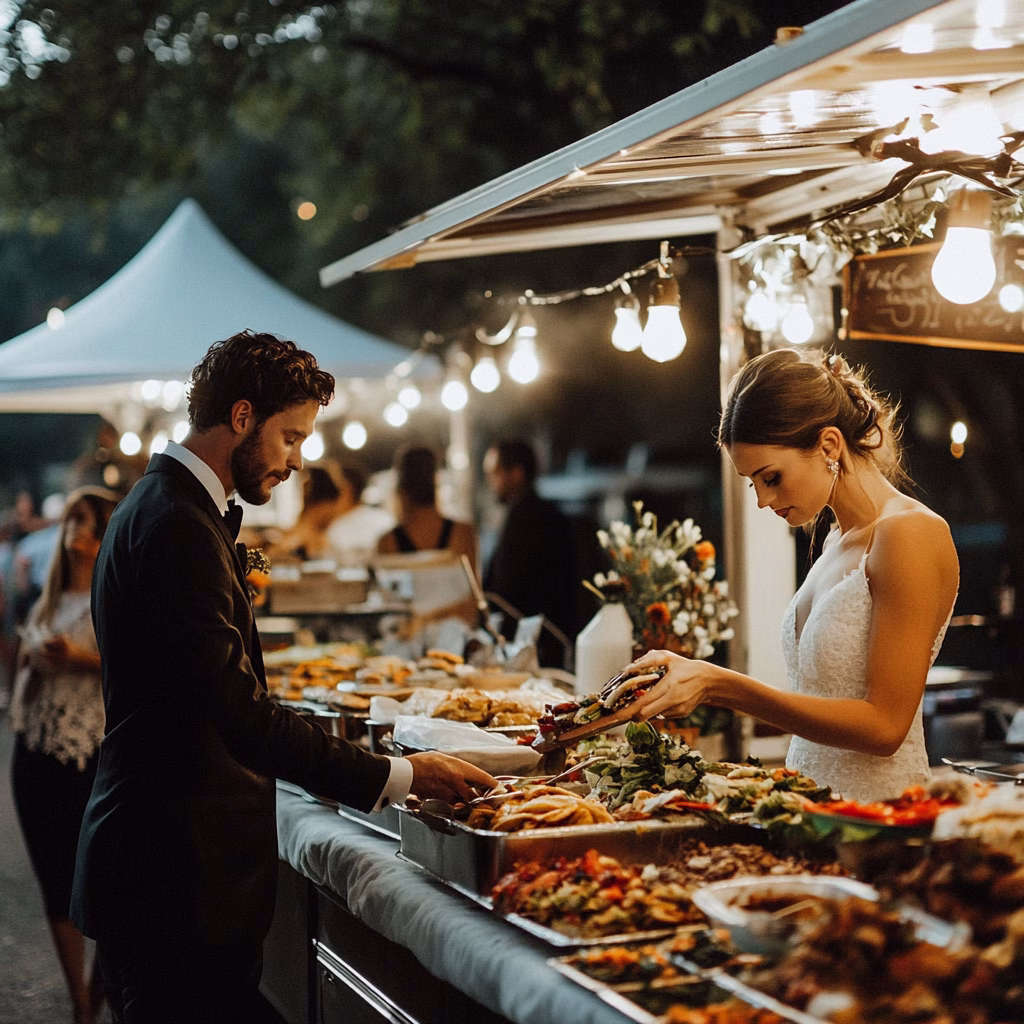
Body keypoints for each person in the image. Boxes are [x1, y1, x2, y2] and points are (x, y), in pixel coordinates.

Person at [70, 331, 495, 1024]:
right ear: (242, 417)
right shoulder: (176, 522)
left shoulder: (168, 506)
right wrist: (400, 777)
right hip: (171, 880)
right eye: (292, 438)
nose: (299, 462)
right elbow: (239, 714)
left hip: (169, 874)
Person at [629, 348, 959, 803]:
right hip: (807, 810)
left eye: (771, 477)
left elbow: (885, 727)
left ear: (828, 446)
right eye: (753, 484)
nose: (763, 501)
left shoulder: (910, 533)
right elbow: (817, 703)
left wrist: (720, 685)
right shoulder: (834, 544)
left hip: (876, 818)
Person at [9, 486, 120, 1024]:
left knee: (101, 887)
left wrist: (80, 659)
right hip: (34, 750)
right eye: (76, 520)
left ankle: (98, 995)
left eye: (94, 524)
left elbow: (137, 675)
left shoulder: (115, 602)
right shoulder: (44, 603)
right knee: (54, 880)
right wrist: (30, 665)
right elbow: (20, 692)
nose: (81, 533)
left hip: (91, 754)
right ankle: (80, 1004)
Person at [482, 438, 576, 667]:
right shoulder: (541, 513)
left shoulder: (528, 518)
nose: (491, 482)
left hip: (536, 646)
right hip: (541, 640)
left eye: (495, 472)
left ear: (516, 473)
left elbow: (509, 587)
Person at [377, 444, 479, 626]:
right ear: (435, 482)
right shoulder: (463, 533)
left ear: (401, 487)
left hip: (407, 644)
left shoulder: (387, 541)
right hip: (457, 642)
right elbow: (473, 602)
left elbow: (391, 608)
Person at [264, 461, 347, 561]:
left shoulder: (319, 538)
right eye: (334, 505)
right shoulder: (295, 544)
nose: (335, 514)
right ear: (323, 504)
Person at [325, 458, 394, 564]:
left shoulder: (337, 528)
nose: (332, 499)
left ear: (348, 490)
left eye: (335, 491)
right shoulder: (385, 519)